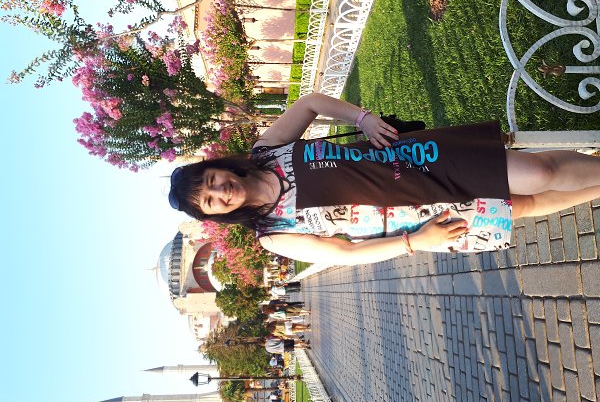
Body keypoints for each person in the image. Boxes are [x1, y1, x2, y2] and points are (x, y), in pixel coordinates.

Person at [168, 93, 600, 264]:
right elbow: (345, 253)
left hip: (417, 160)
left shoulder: (267, 150)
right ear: (216, 214)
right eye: (209, 200)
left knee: (539, 172)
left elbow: (310, 103)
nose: (219, 191)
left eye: (211, 180)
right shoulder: (273, 233)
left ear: (218, 168)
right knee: (523, 205)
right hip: (421, 218)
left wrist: (363, 119)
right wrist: (417, 242)